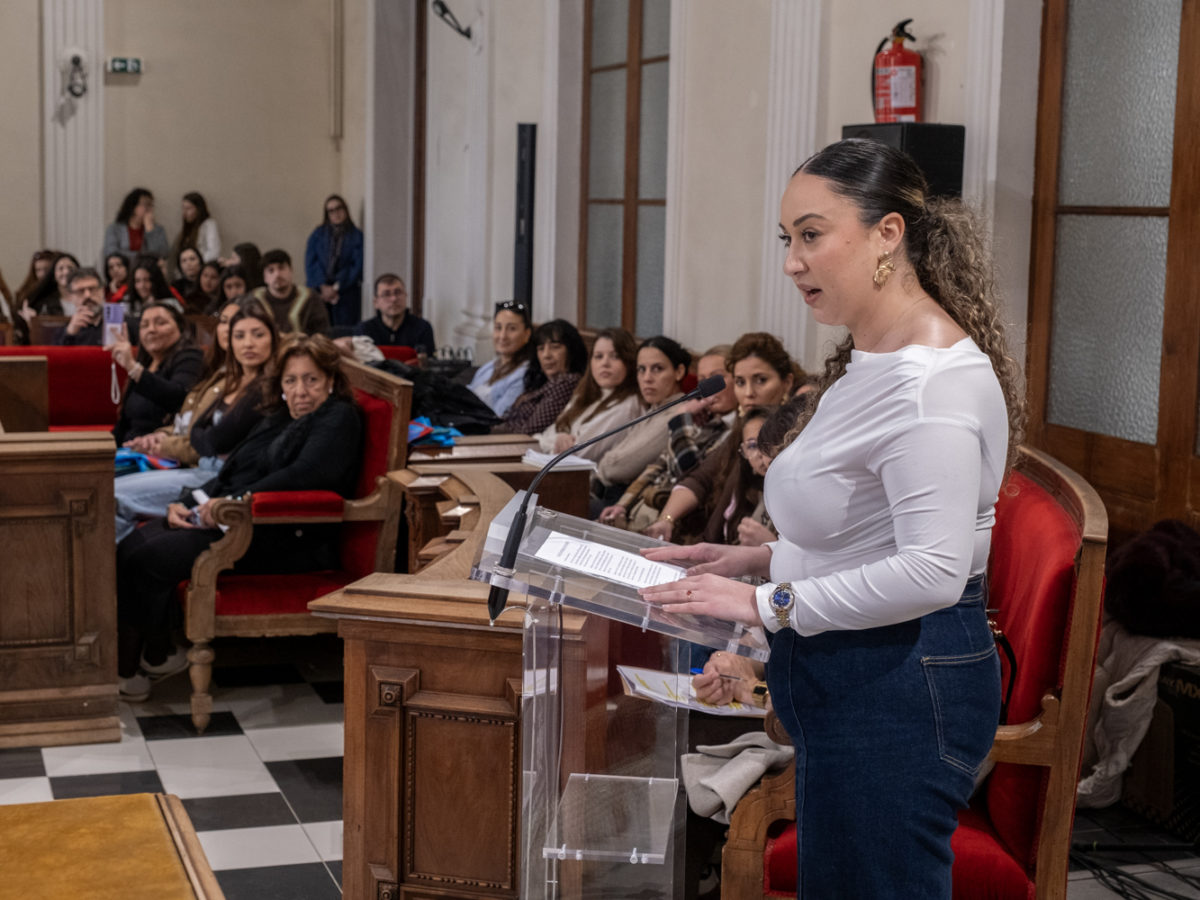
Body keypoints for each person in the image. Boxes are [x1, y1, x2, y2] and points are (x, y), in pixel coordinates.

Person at [641, 138, 1025, 898]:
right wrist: (750, 562)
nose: (793, 260)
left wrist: (764, 603)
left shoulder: (929, 383)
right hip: (855, 669)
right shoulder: (870, 356)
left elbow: (932, 569)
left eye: (812, 235)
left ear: (888, 233)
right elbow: (861, 528)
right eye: (787, 239)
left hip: (899, 682)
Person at [114, 333, 364, 700]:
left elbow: (302, 476)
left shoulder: (338, 417)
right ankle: (154, 655)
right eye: (291, 380)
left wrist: (230, 504)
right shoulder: (282, 416)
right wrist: (187, 501)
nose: (300, 391)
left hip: (284, 534)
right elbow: (236, 469)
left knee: (150, 557)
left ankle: (136, 664)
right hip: (241, 517)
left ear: (330, 381)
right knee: (133, 544)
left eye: (311, 380)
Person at [115, 297, 279, 541]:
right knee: (105, 486)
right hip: (200, 465)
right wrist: (172, 435)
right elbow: (196, 427)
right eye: (237, 332)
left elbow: (212, 440)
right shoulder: (228, 377)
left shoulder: (263, 387)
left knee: (113, 496)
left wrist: (179, 441)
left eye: (257, 334)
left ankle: (103, 574)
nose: (248, 343)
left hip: (215, 477)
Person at [643, 332, 799, 542]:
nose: (749, 393)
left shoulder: (797, 436)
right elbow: (700, 478)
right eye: (740, 382)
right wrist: (667, 519)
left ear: (787, 383)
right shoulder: (740, 430)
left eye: (761, 380)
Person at [597, 345, 737, 533]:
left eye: (715, 377)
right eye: (702, 380)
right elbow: (658, 465)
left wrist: (680, 421)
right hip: (638, 512)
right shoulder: (701, 418)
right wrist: (623, 505)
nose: (707, 387)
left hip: (674, 525)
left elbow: (689, 475)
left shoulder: (733, 430)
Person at [591, 335, 690, 512]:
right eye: (641, 370)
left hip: (627, 505)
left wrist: (603, 466)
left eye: (657, 369)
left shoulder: (678, 413)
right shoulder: (654, 409)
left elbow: (616, 468)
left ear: (679, 372)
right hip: (607, 496)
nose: (647, 378)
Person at [535, 327, 642, 461]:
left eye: (615, 356)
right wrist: (558, 439)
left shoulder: (627, 406)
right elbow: (545, 435)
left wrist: (551, 442)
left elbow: (577, 453)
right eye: (598, 356)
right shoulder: (586, 394)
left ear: (629, 362)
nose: (605, 363)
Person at [111, 300, 206, 444]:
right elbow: (125, 424)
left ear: (180, 328)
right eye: (144, 325)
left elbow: (179, 397)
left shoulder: (191, 357)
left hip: (162, 448)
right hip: (129, 448)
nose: (151, 329)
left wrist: (133, 368)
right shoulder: (145, 364)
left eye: (160, 323)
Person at [493, 319, 587, 436]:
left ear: (572, 351)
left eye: (555, 347)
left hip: (515, 445)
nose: (546, 355)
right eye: (541, 349)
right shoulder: (541, 382)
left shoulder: (567, 381)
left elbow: (529, 431)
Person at [305, 193, 364, 328]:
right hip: (320, 291)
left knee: (343, 331)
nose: (336, 213)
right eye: (331, 211)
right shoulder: (318, 234)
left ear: (345, 210)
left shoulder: (356, 236)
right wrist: (322, 286)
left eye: (338, 209)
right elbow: (311, 262)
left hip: (345, 292)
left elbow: (356, 265)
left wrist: (336, 287)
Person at [467, 300, 533, 417]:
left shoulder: (524, 374)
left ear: (527, 334)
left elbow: (498, 416)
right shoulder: (487, 368)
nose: (503, 336)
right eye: (498, 328)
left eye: (512, 329)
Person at [252, 248, 330, 335]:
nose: (277, 274)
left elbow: (322, 334)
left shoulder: (310, 298)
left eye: (281, 268)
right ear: (264, 277)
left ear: (291, 270)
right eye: (271, 270)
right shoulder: (255, 299)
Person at [355, 273, 435, 354]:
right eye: (386, 294)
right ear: (376, 302)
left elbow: (428, 362)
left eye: (398, 292)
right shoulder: (365, 330)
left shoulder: (422, 328)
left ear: (406, 296)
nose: (393, 299)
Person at [103, 187, 170, 265]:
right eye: (145, 204)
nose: (149, 209)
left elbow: (163, 254)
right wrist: (141, 256)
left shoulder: (158, 230)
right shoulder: (114, 229)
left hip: (148, 272)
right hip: (123, 271)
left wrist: (150, 231)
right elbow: (111, 252)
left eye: (151, 205)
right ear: (133, 206)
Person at [57, 268, 108, 346]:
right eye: (80, 291)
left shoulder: (126, 324)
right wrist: (70, 334)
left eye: (92, 289)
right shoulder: (64, 332)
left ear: (102, 291)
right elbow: (56, 356)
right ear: (71, 297)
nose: (87, 295)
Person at [174, 191, 221, 262]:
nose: (184, 212)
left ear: (198, 209)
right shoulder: (187, 228)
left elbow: (214, 251)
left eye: (188, 208)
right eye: (183, 208)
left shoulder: (209, 224)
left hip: (202, 266)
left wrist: (198, 264)